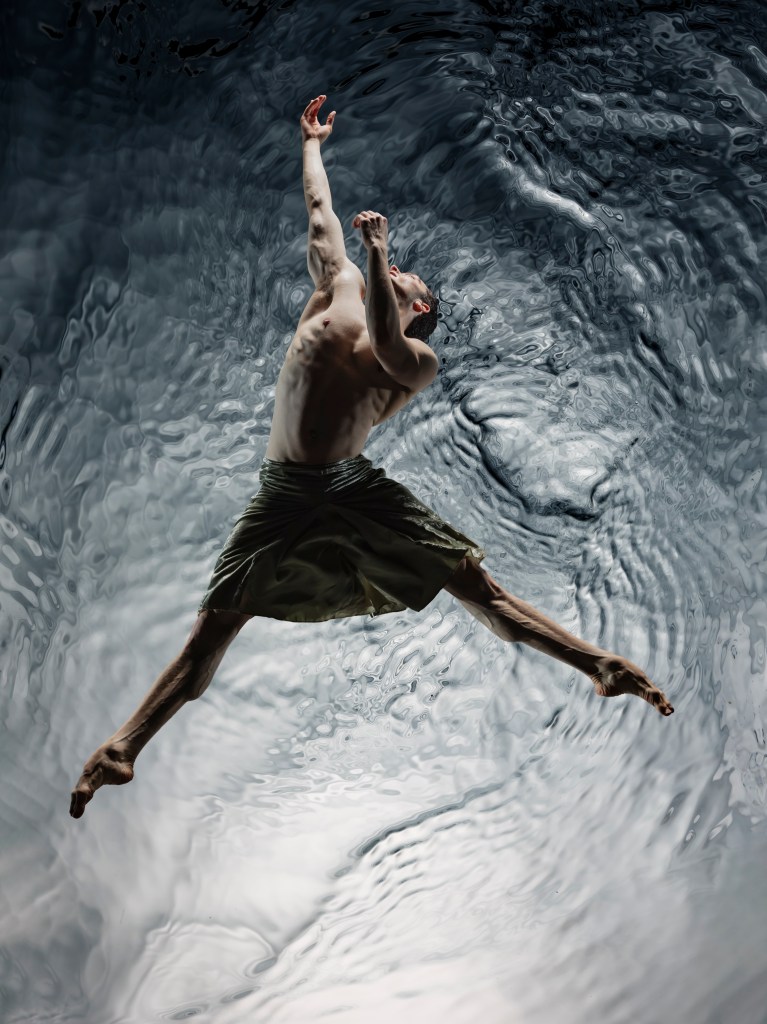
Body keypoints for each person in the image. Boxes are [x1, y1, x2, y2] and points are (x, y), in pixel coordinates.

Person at [69, 95, 673, 819]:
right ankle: (124, 746)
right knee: (218, 620)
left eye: (411, 286)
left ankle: (595, 663)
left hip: (356, 490)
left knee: (475, 587)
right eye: (395, 273)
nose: (397, 278)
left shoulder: (415, 359)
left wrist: (384, 254)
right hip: (283, 490)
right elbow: (321, 217)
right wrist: (311, 146)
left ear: (420, 307)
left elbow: (386, 343)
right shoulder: (338, 287)